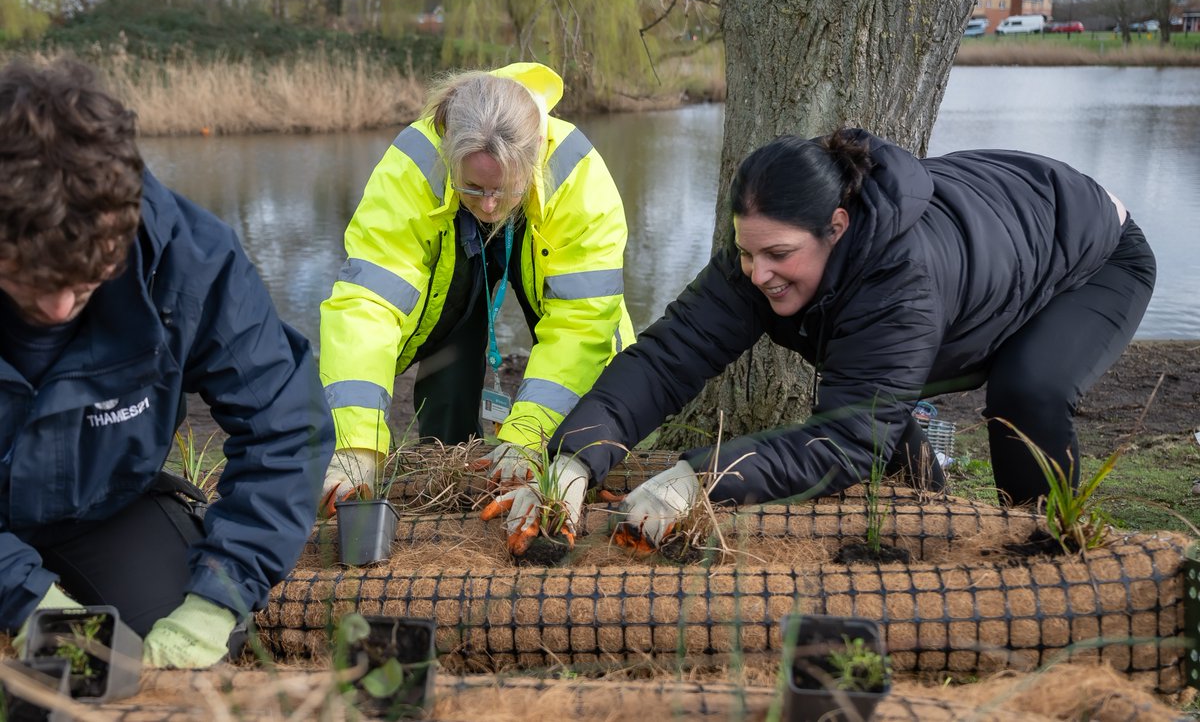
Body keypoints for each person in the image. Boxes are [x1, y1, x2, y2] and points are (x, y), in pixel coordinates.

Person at [487, 128, 1155, 554]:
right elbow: (668, 359)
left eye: (778, 255)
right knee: (876, 406)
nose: (759, 275)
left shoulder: (903, 278)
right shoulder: (760, 251)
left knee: (1026, 390)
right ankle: (927, 524)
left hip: (1090, 257)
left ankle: (1046, 550)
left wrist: (699, 479)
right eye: (747, 255)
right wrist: (573, 458)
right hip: (995, 239)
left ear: (837, 225)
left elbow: (848, 439)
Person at [0, 59, 335, 667]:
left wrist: (218, 601)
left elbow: (284, 427)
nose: (55, 305)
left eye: (83, 282)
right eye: (27, 278)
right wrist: (23, 598)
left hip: (103, 509)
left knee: (176, 642)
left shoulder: (190, 258)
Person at [319, 62, 634, 508]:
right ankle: (444, 471)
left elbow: (581, 324)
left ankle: (560, 462)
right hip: (451, 244)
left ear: (533, 163)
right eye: (473, 187)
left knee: (583, 387)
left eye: (502, 190)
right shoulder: (414, 164)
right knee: (449, 341)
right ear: (448, 153)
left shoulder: (579, 180)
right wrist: (356, 443)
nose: (488, 206)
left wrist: (527, 436)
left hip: (545, 245)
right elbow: (369, 302)